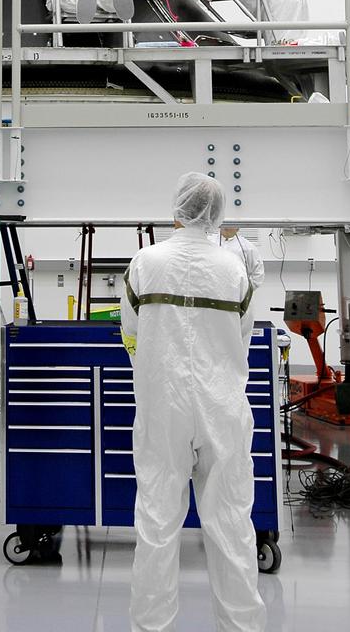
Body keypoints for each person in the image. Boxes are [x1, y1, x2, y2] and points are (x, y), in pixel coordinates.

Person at [120, 172, 265, 632]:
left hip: (163, 407)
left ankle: (151, 626)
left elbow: (131, 337)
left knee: (157, 524)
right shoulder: (234, 269)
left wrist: (160, 370)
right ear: (218, 214)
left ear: (177, 208)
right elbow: (241, 339)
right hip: (222, 408)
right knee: (231, 525)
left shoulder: (144, 262)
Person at [219, 226, 265, 291]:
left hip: (238, 293)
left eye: (231, 224)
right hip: (215, 292)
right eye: (224, 223)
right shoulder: (210, 242)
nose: (226, 226)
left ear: (237, 228)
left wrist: (246, 291)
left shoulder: (248, 247)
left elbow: (258, 273)